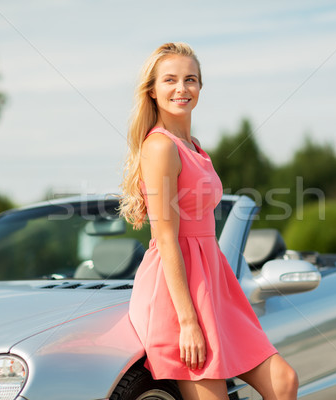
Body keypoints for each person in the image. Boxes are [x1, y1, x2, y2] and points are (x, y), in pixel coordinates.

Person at [119, 42, 298, 400]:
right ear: (152, 91)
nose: (181, 89)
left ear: (200, 87)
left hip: (213, 279)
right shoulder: (160, 147)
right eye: (170, 80)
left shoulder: (195, 147)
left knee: (283, 380)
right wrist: (187, 322)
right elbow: (166, 238)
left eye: (191, 79)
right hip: (177, 290)